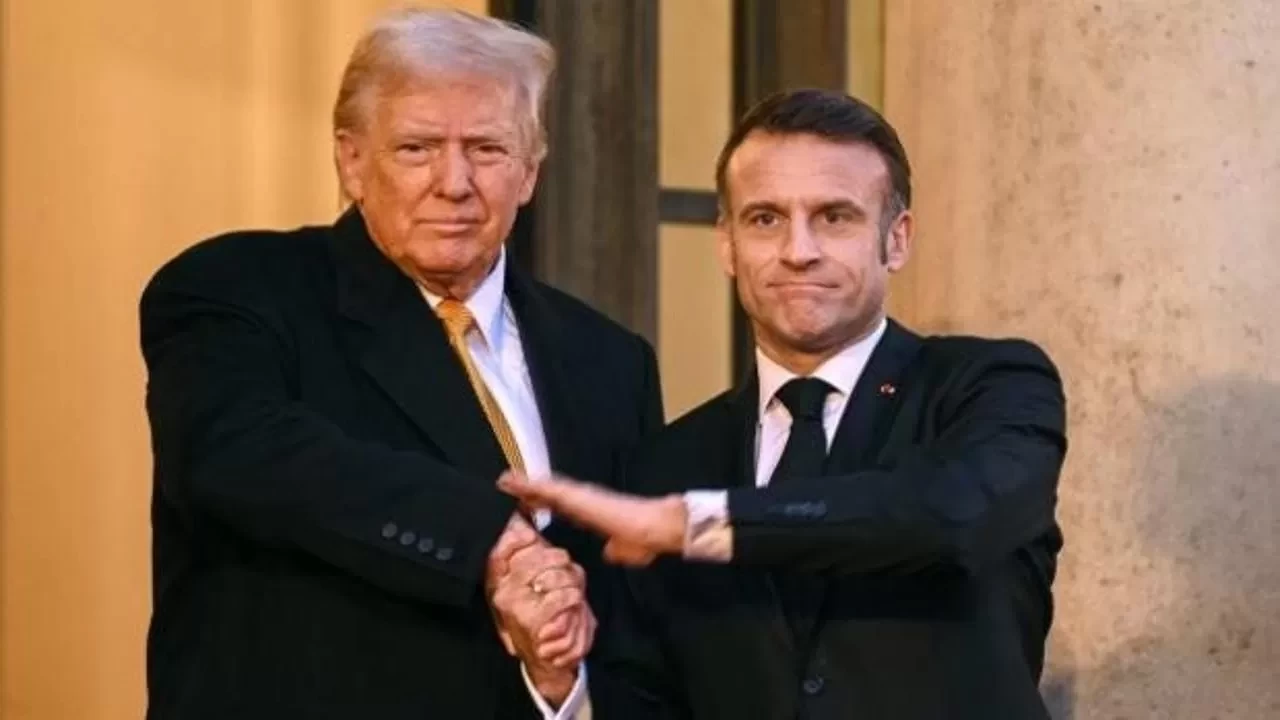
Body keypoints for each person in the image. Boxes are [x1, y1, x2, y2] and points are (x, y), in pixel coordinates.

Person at [139, 8, 661, 719]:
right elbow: (236, 453)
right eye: (417, 148)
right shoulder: (239, 288)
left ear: (530, 173)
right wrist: (486, 536)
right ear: (351, 161)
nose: (455, 182)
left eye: (487, 148)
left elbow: (628, 626)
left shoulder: (609, 360)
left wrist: (559, 689)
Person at [500, 88, 1068, 719]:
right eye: (766, 219)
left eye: (835, 217)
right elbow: (649, 699)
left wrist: (698, 525)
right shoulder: (667, 466)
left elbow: (951, 516)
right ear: (727, 243)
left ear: (897, 239)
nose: (799, 251)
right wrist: (558, 679)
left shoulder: (990, 386)